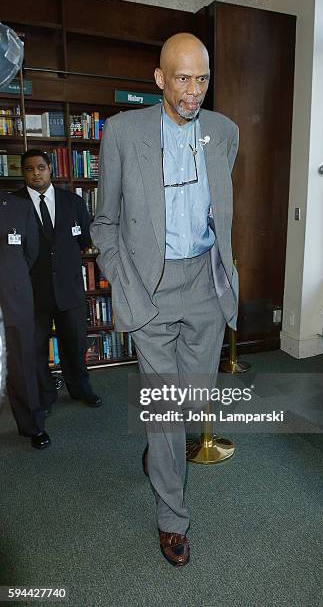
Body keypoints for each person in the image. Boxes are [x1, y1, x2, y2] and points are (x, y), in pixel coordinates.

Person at [91, 33, 239, 566]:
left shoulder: (224, 133)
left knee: (191, 402)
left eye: (202, 79)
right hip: (150, 288)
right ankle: (171, 517)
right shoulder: (123, 133)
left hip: (205, 282)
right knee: (165, 408)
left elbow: (219, 212)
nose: (193, 91)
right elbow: (104, 222)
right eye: (182, 78)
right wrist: (126, 284)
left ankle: (162, 446)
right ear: (159, 79)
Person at [16, 149, 102, 414]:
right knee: (36, 348)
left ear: (50, 168)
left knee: (74, 343)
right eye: (29, 169)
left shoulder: (72, 201)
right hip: (32, 292)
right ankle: (45, 394)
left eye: (40, 167)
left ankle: (80, 388)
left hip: (69, 288)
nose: (36, 173)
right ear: (23, 173)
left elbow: (84, 240)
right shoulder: (12, 205)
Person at [0, 191, 51, 449]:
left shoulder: (19, 207)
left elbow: (31, 252)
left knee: (21, 365)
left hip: (14, 298)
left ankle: (33, 425)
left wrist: (12, 277)